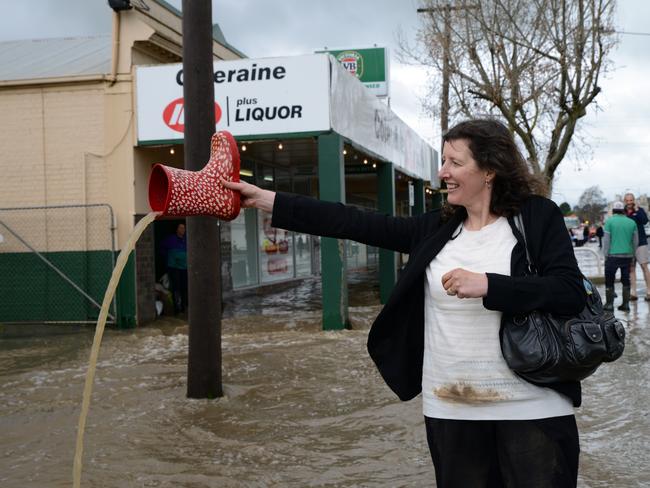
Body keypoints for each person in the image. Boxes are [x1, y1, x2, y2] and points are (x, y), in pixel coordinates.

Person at [224, 119, 586, 487]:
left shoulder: (537, 217)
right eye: (443, 160)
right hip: (452, 406)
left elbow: (570, 291)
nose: (442, 172)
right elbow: (354, 222)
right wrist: (268, 200)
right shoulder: (437, 228)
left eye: (454, 163)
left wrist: (490, 286)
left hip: (533, 407)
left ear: (490, 169)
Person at [603, 201, 638, 312]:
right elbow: (635, 242)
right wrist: (632, 255)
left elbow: (606, 241)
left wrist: (605, 255)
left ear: (613, 211)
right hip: (627, 256)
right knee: (626, 279)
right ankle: (626, 305)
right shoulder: (632, 222)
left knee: (609, 279)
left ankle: (609, 305)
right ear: (624, 210)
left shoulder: (609, 222)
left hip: (612, 256)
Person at [624, 193, 650, 301]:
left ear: (634, 200)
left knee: (644, 267)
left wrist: (637, 210)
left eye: (631, 200)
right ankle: (633, 293)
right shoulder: (623, 212)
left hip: (641, 243)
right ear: (624, 201)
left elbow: (644, 221)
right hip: (628, 245)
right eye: (627, 200)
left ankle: (649, 291)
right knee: (631, 269)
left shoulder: (640, 210)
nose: (629, 202)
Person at [160, 222, 188, 314]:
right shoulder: (170, 239)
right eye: (180, 228)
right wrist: (168, 260)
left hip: (184, 268)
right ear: (177, 229)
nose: (182, 230)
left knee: (184, 287)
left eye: (184, 228)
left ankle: (184, 306)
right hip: (174, 267)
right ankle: (176, 308)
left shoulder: (186, 240)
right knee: (176, 288)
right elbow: (162, 249)